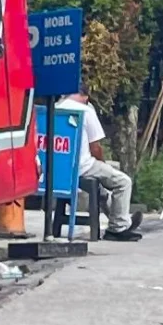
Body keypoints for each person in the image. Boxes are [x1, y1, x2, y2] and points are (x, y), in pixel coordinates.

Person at [60, 90, 141, 242]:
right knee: (123, 182)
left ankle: (120, 221)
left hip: (59, 168)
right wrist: (102, 164)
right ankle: (118, 227)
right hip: (82, 166)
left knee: (101, 191)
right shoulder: (85, 110)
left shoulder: (56, 108)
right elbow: (95, 147)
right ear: (85, 97)